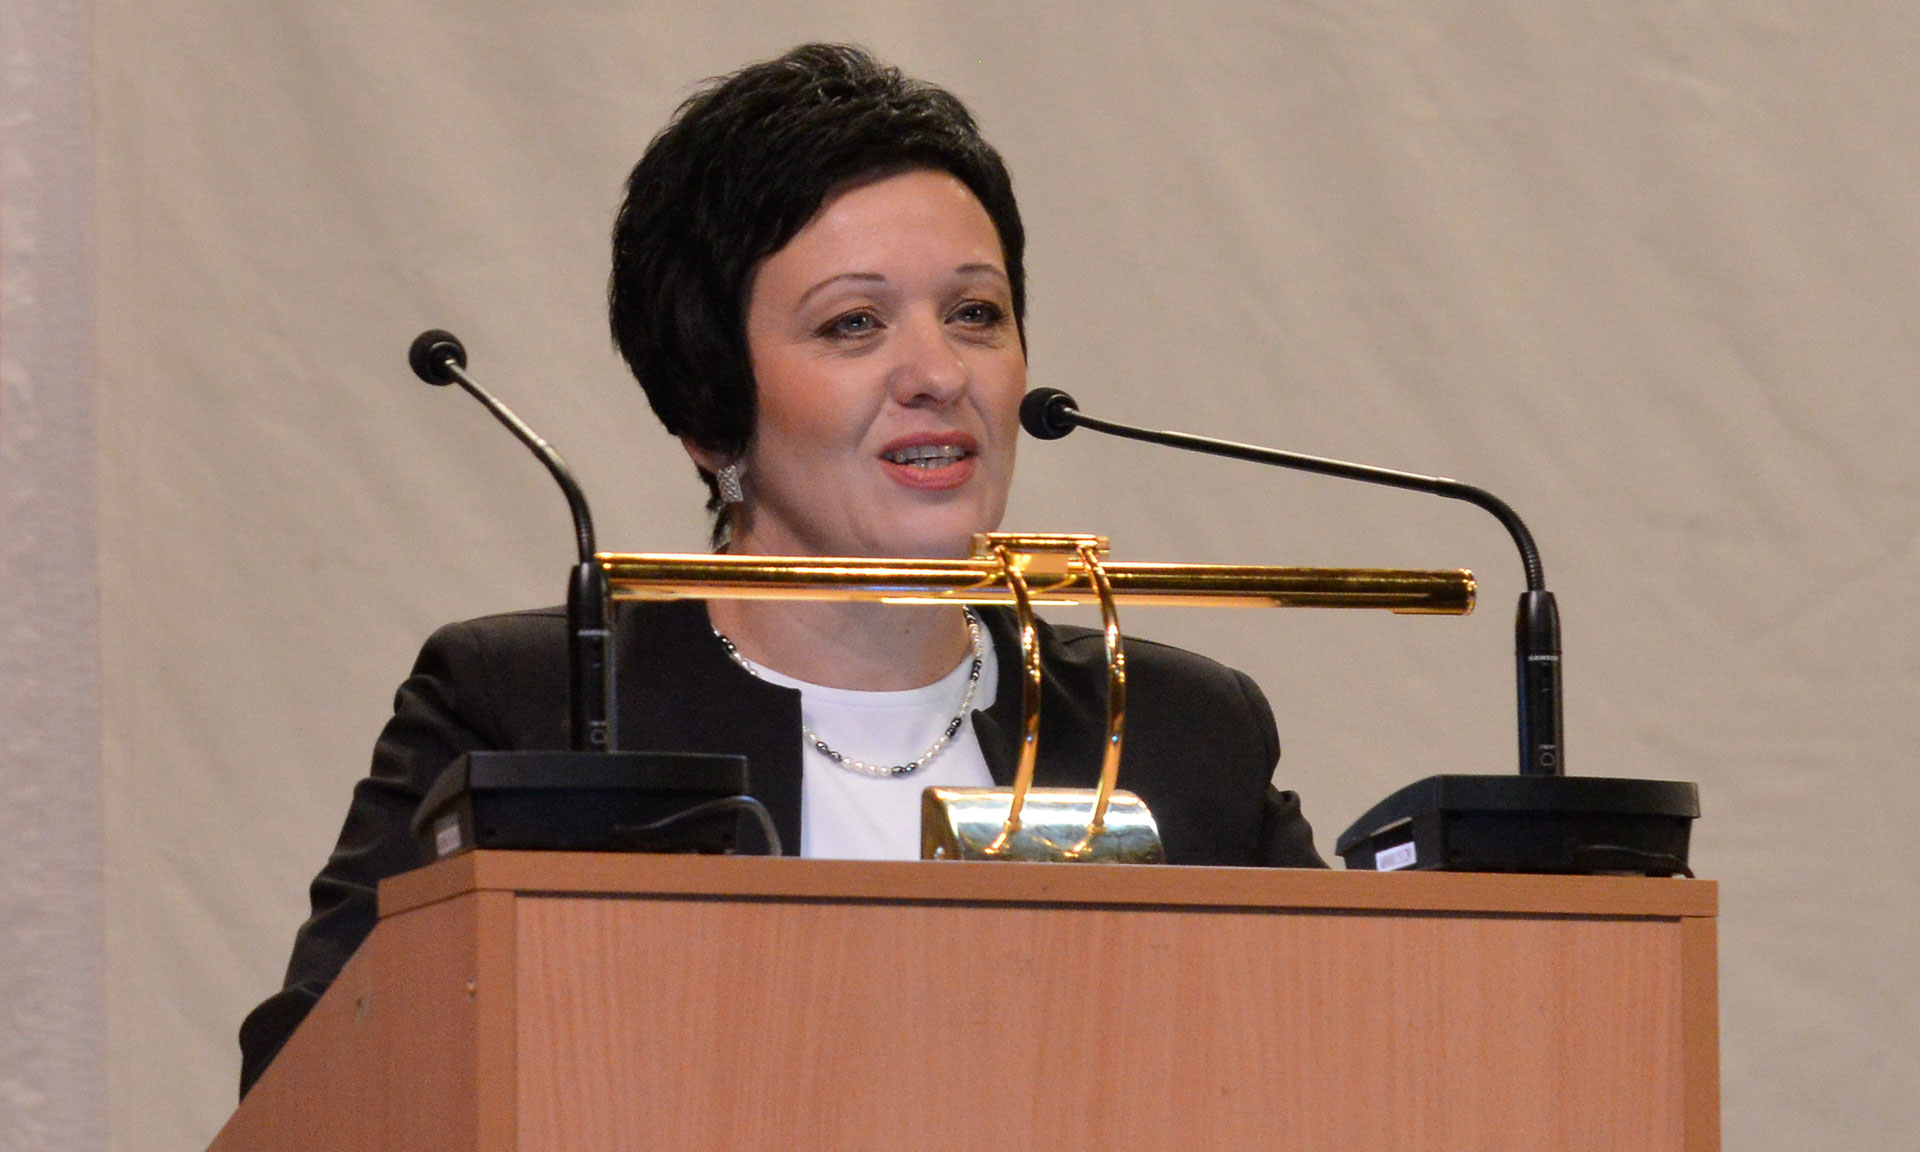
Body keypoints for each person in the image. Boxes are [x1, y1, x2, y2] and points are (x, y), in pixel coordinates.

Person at [237, 43, 1324, 1097]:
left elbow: (1343, 1069)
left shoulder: (1182, 733)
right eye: (854, 323)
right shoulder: (535, 711)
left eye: (975, 314)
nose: (939, 373)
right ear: (710, 408)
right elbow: (313, 1091)